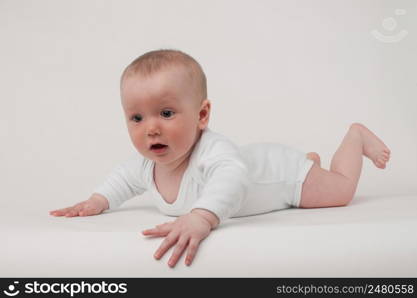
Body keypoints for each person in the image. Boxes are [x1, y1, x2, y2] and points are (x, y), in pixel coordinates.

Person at [50, 49, 391, 268]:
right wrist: (98, 200)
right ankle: (311, 160)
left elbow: (232, 177)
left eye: (166, 113)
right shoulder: (146, 165)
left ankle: (354, 137)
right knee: (296, 171)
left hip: (285, 176)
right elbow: (122, 179)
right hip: (262, 164)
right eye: (136, 118)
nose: (150, 129)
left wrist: (202, 216)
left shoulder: (212, 151)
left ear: (201, 115)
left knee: (341, 192)